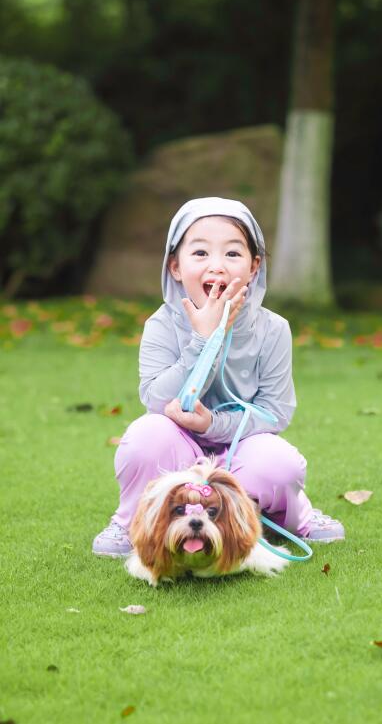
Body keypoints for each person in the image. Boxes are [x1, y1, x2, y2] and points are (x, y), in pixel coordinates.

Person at [92, 197, 345, 557]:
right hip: (178, 443)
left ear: (254, 266)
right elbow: (157, 399)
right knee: (145, 437)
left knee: (280, 463)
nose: (217, 266)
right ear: (175, 266)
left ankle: (289, 514)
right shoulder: (161, 325)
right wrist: (204, 339)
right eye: (200, 253)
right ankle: (131, 520)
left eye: (232, 253)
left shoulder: (273, 329)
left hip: (240, 447)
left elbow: (275, 412)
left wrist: (213, 424)